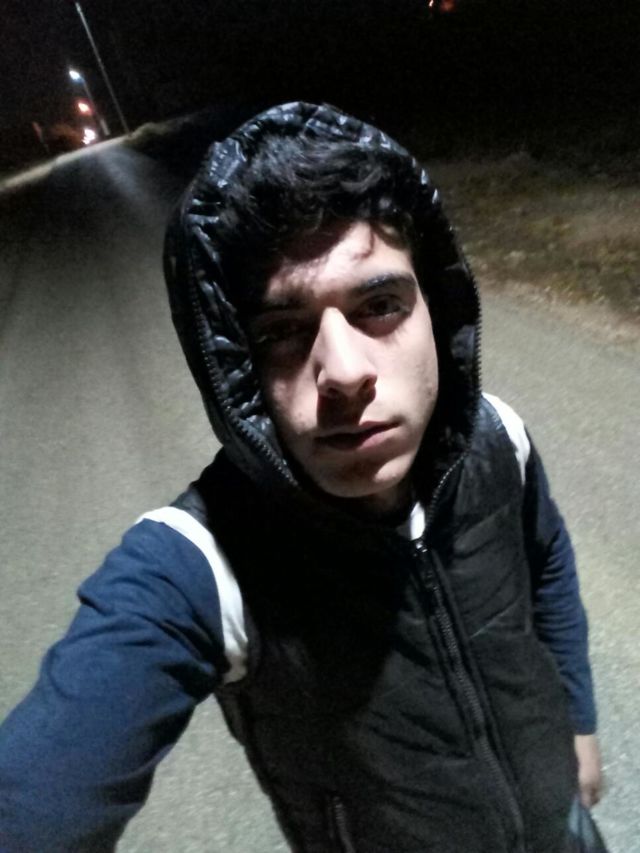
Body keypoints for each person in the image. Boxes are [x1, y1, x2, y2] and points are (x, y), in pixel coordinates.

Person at [0, 102, 603, 852]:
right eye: (282, 331)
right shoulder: (205, 565)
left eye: (379, 305)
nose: (343, 372)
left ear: (436, 309)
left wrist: (579, 724)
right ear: (235, 364)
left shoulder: (496, 438)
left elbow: (547, 562)